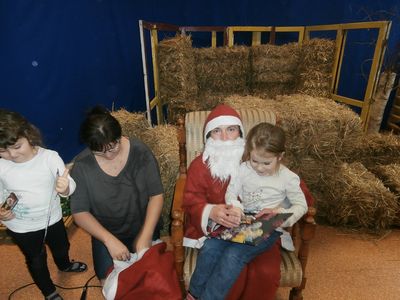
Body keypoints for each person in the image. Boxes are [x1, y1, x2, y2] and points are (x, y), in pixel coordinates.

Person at [183, 104, 306, 300]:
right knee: (211, 248)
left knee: (235, 257)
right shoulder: (239, 165)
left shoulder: (273, 165)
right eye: (217, 131)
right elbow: (195, 200)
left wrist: (281, 213)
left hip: (268, 225)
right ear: (208, 136)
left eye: (230, 130)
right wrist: (217, 210)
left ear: (240, 133)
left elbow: (301, 201)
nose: (224, 137)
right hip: (238, 223)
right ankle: (193, 295)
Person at [69, 106, 164, 285]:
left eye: (113, 147)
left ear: (120, 136)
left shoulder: (140, 151)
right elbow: (80, 213)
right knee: (110, 283)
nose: (109, 155)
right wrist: (109, 240)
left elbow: (156, 195)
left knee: (153, 279)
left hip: (143, 225)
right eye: (100, 152)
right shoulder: (82, 166)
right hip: (107, 232)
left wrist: (146, 234)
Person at [0, 109, 87, 300]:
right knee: (36, 260)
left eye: (16, 146)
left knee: (62, 246)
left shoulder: (49, 157)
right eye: (2, 150)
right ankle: (49, 292)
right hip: (21, 226)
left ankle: (64, 264)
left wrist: (65, 188)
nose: (11, 154)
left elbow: (69, 183)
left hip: (53, 218)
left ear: (28, 135)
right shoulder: (1, 165)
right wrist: (1, 210)